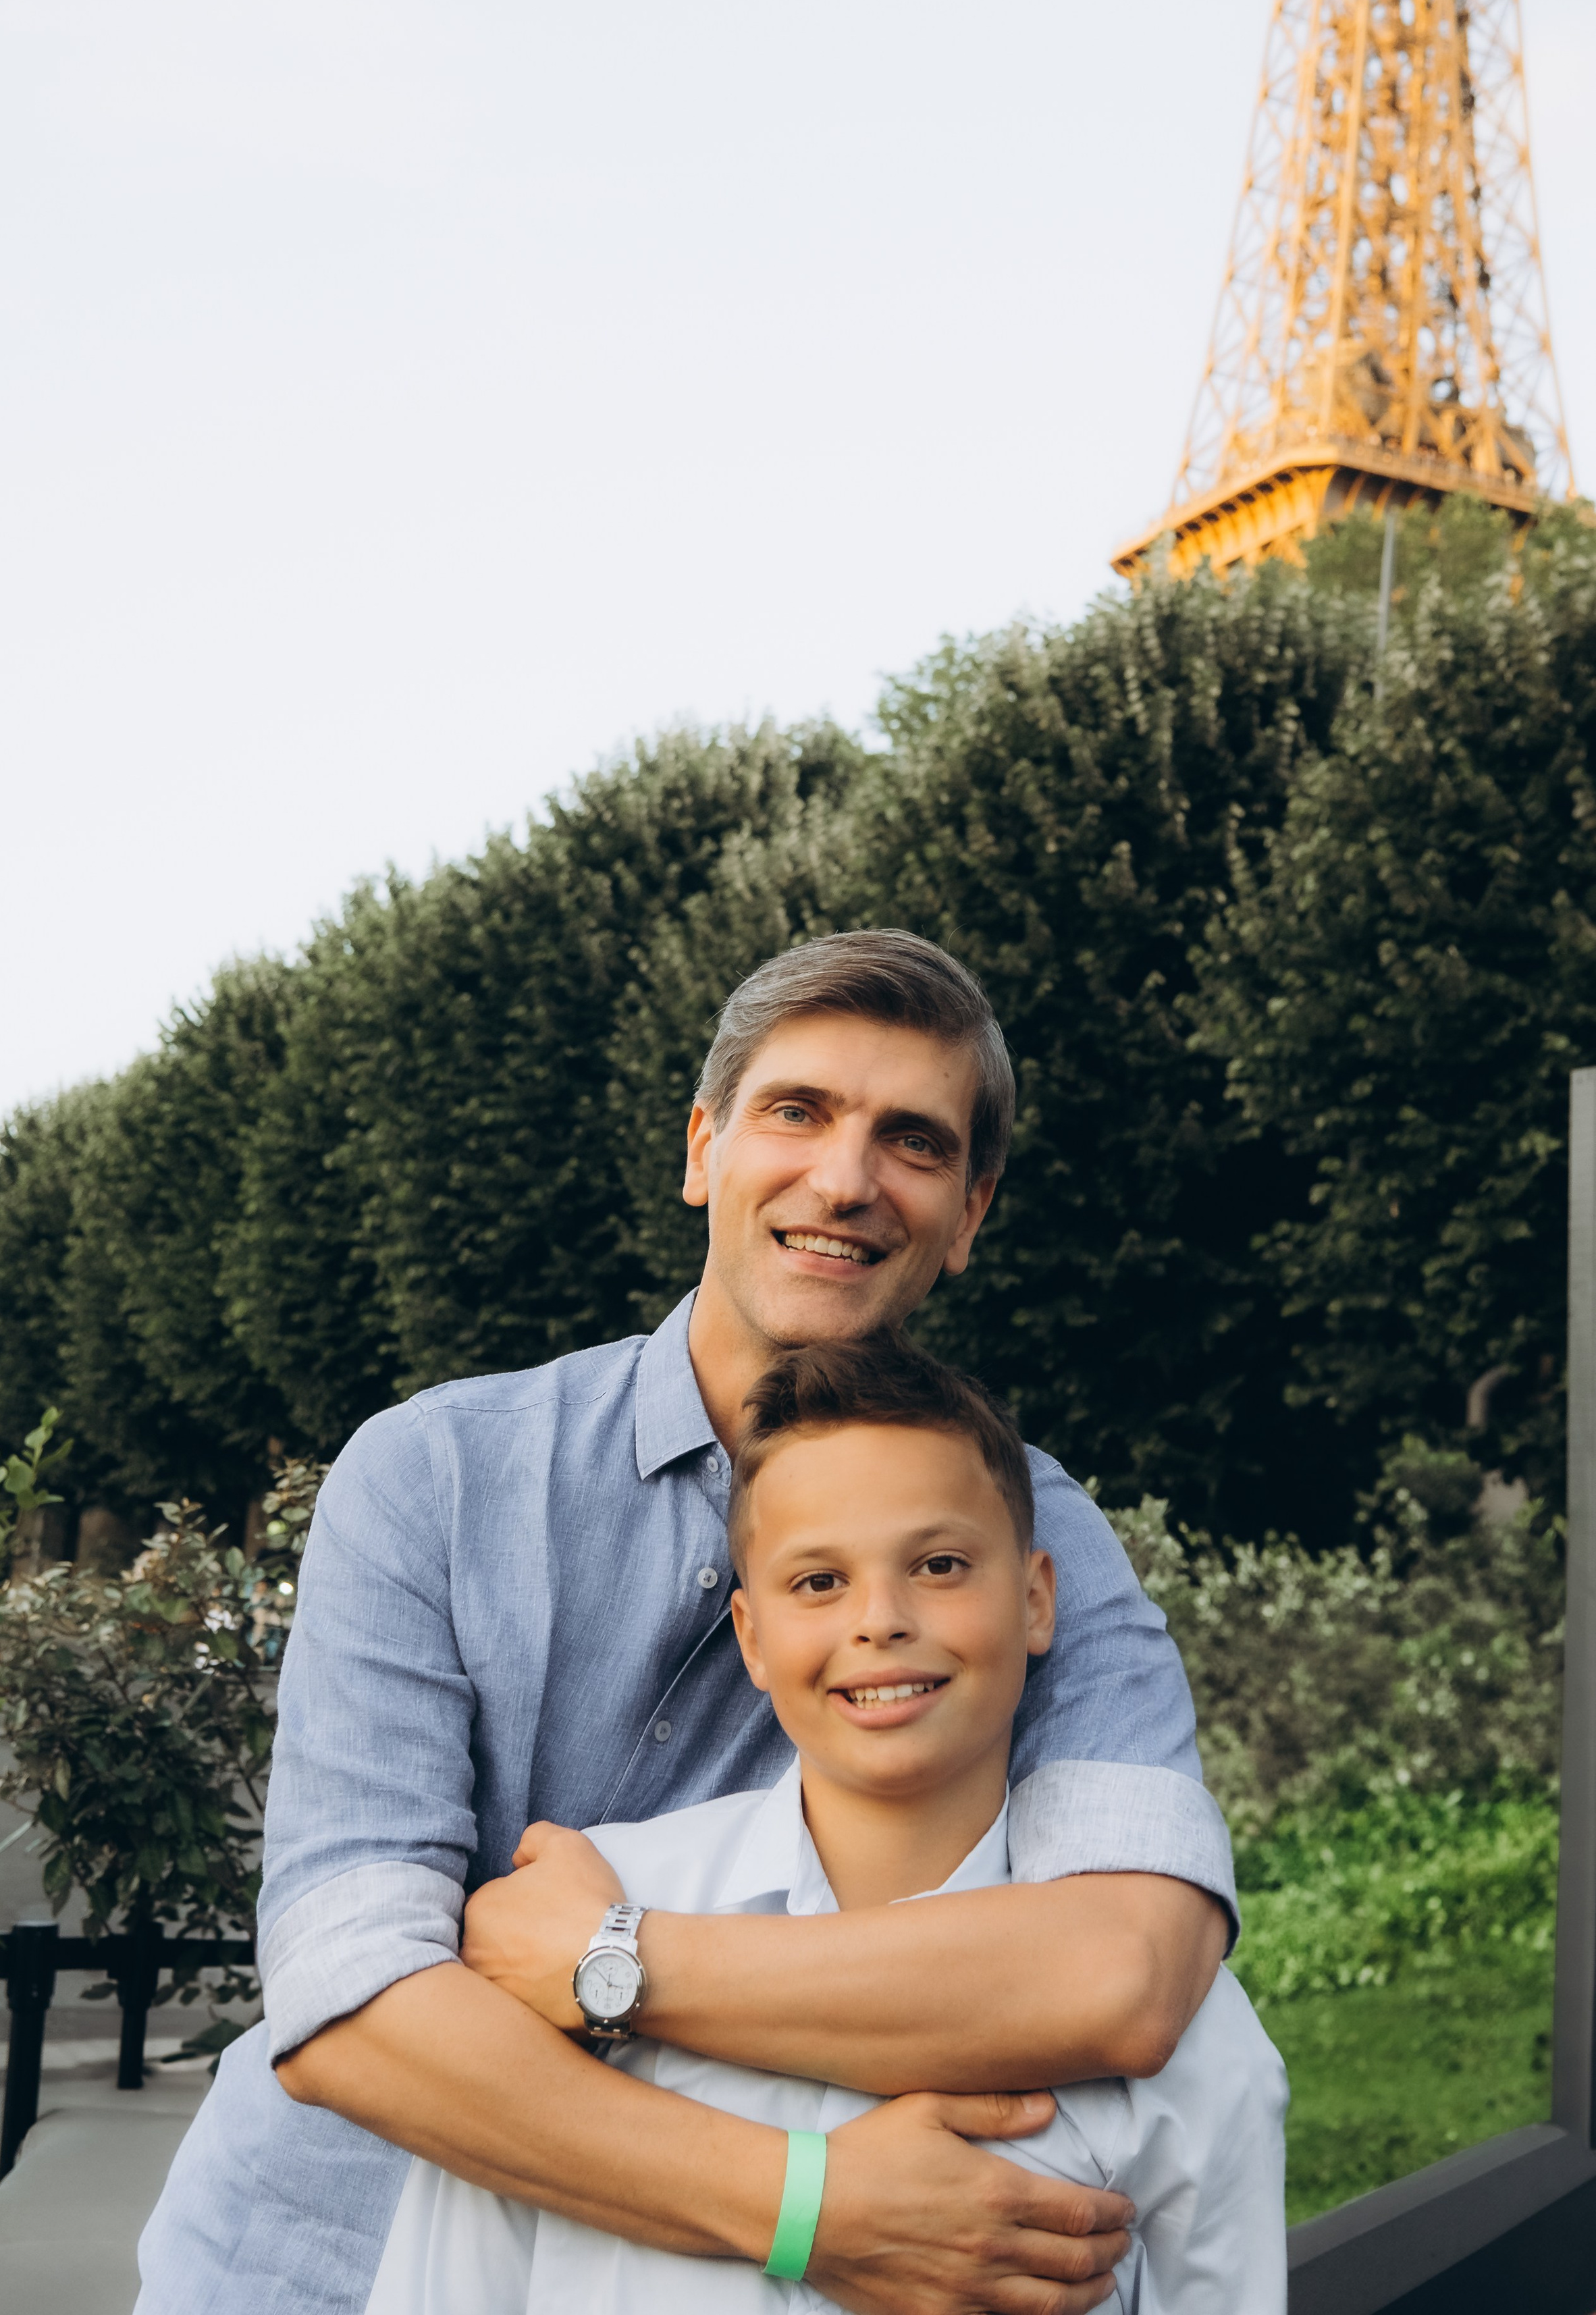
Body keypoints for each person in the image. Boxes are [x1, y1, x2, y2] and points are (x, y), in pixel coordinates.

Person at [138, 931, 1239, 2315]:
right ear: (701, 1149)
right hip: (327, 2267)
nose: (844, 1178)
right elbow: (353, 2002)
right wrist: (807, 2203)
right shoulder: (431, 1473)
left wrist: (611, 1961)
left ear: (968, 1215)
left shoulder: (1037, 1547)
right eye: (797, 1111)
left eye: (911, 1140)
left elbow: (1125, 1968)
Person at [363, 1335, 1287, 2312]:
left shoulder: (1200, 2043)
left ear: (1035, 1601)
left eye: (938, 1563)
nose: (880, 1617)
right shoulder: (567, 1929)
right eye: (818, 1581)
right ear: (752, 1638)